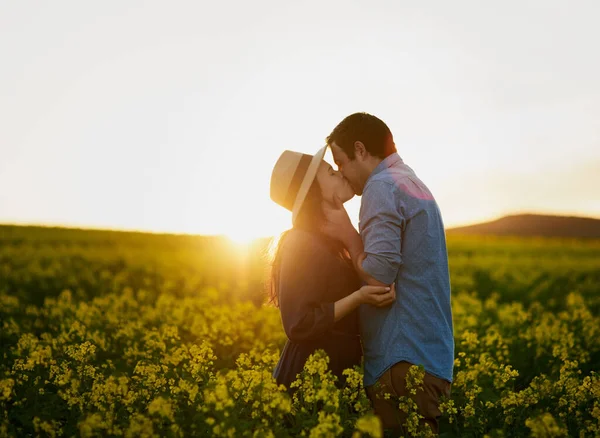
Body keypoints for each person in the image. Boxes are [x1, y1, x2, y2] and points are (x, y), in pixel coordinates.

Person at [320, 113, 455, 435]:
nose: (341, 173)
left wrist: (347, 235)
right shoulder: (407, 179)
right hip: (424, 355)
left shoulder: (381, 187)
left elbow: (378, 277)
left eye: (340, 162)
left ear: (360, 150)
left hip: (401, 360)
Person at [268, 145, 396, 392]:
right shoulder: (300, 242)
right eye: (329, 172)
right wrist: (359, 298)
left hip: (338, 371)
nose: (339, 172)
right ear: (313, 191)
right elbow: (298, 324)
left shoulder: (334, 240)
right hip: (308, 377)